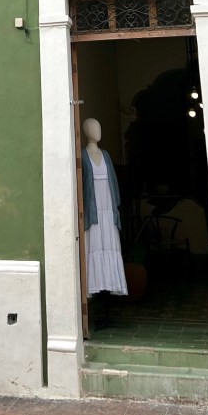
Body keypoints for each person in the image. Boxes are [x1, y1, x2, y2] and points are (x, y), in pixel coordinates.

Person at [81, 118, 127, 296]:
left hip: (108, 209)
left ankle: (112, 283)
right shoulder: (82, 155)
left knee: (109, 244)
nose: (97, 131)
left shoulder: (105, 155)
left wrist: (115, 207)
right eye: (93, 128)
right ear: (86, 131)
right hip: (93, 212)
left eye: (98, 127)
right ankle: (93, 286)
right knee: (94, 246)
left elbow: (113, 182)